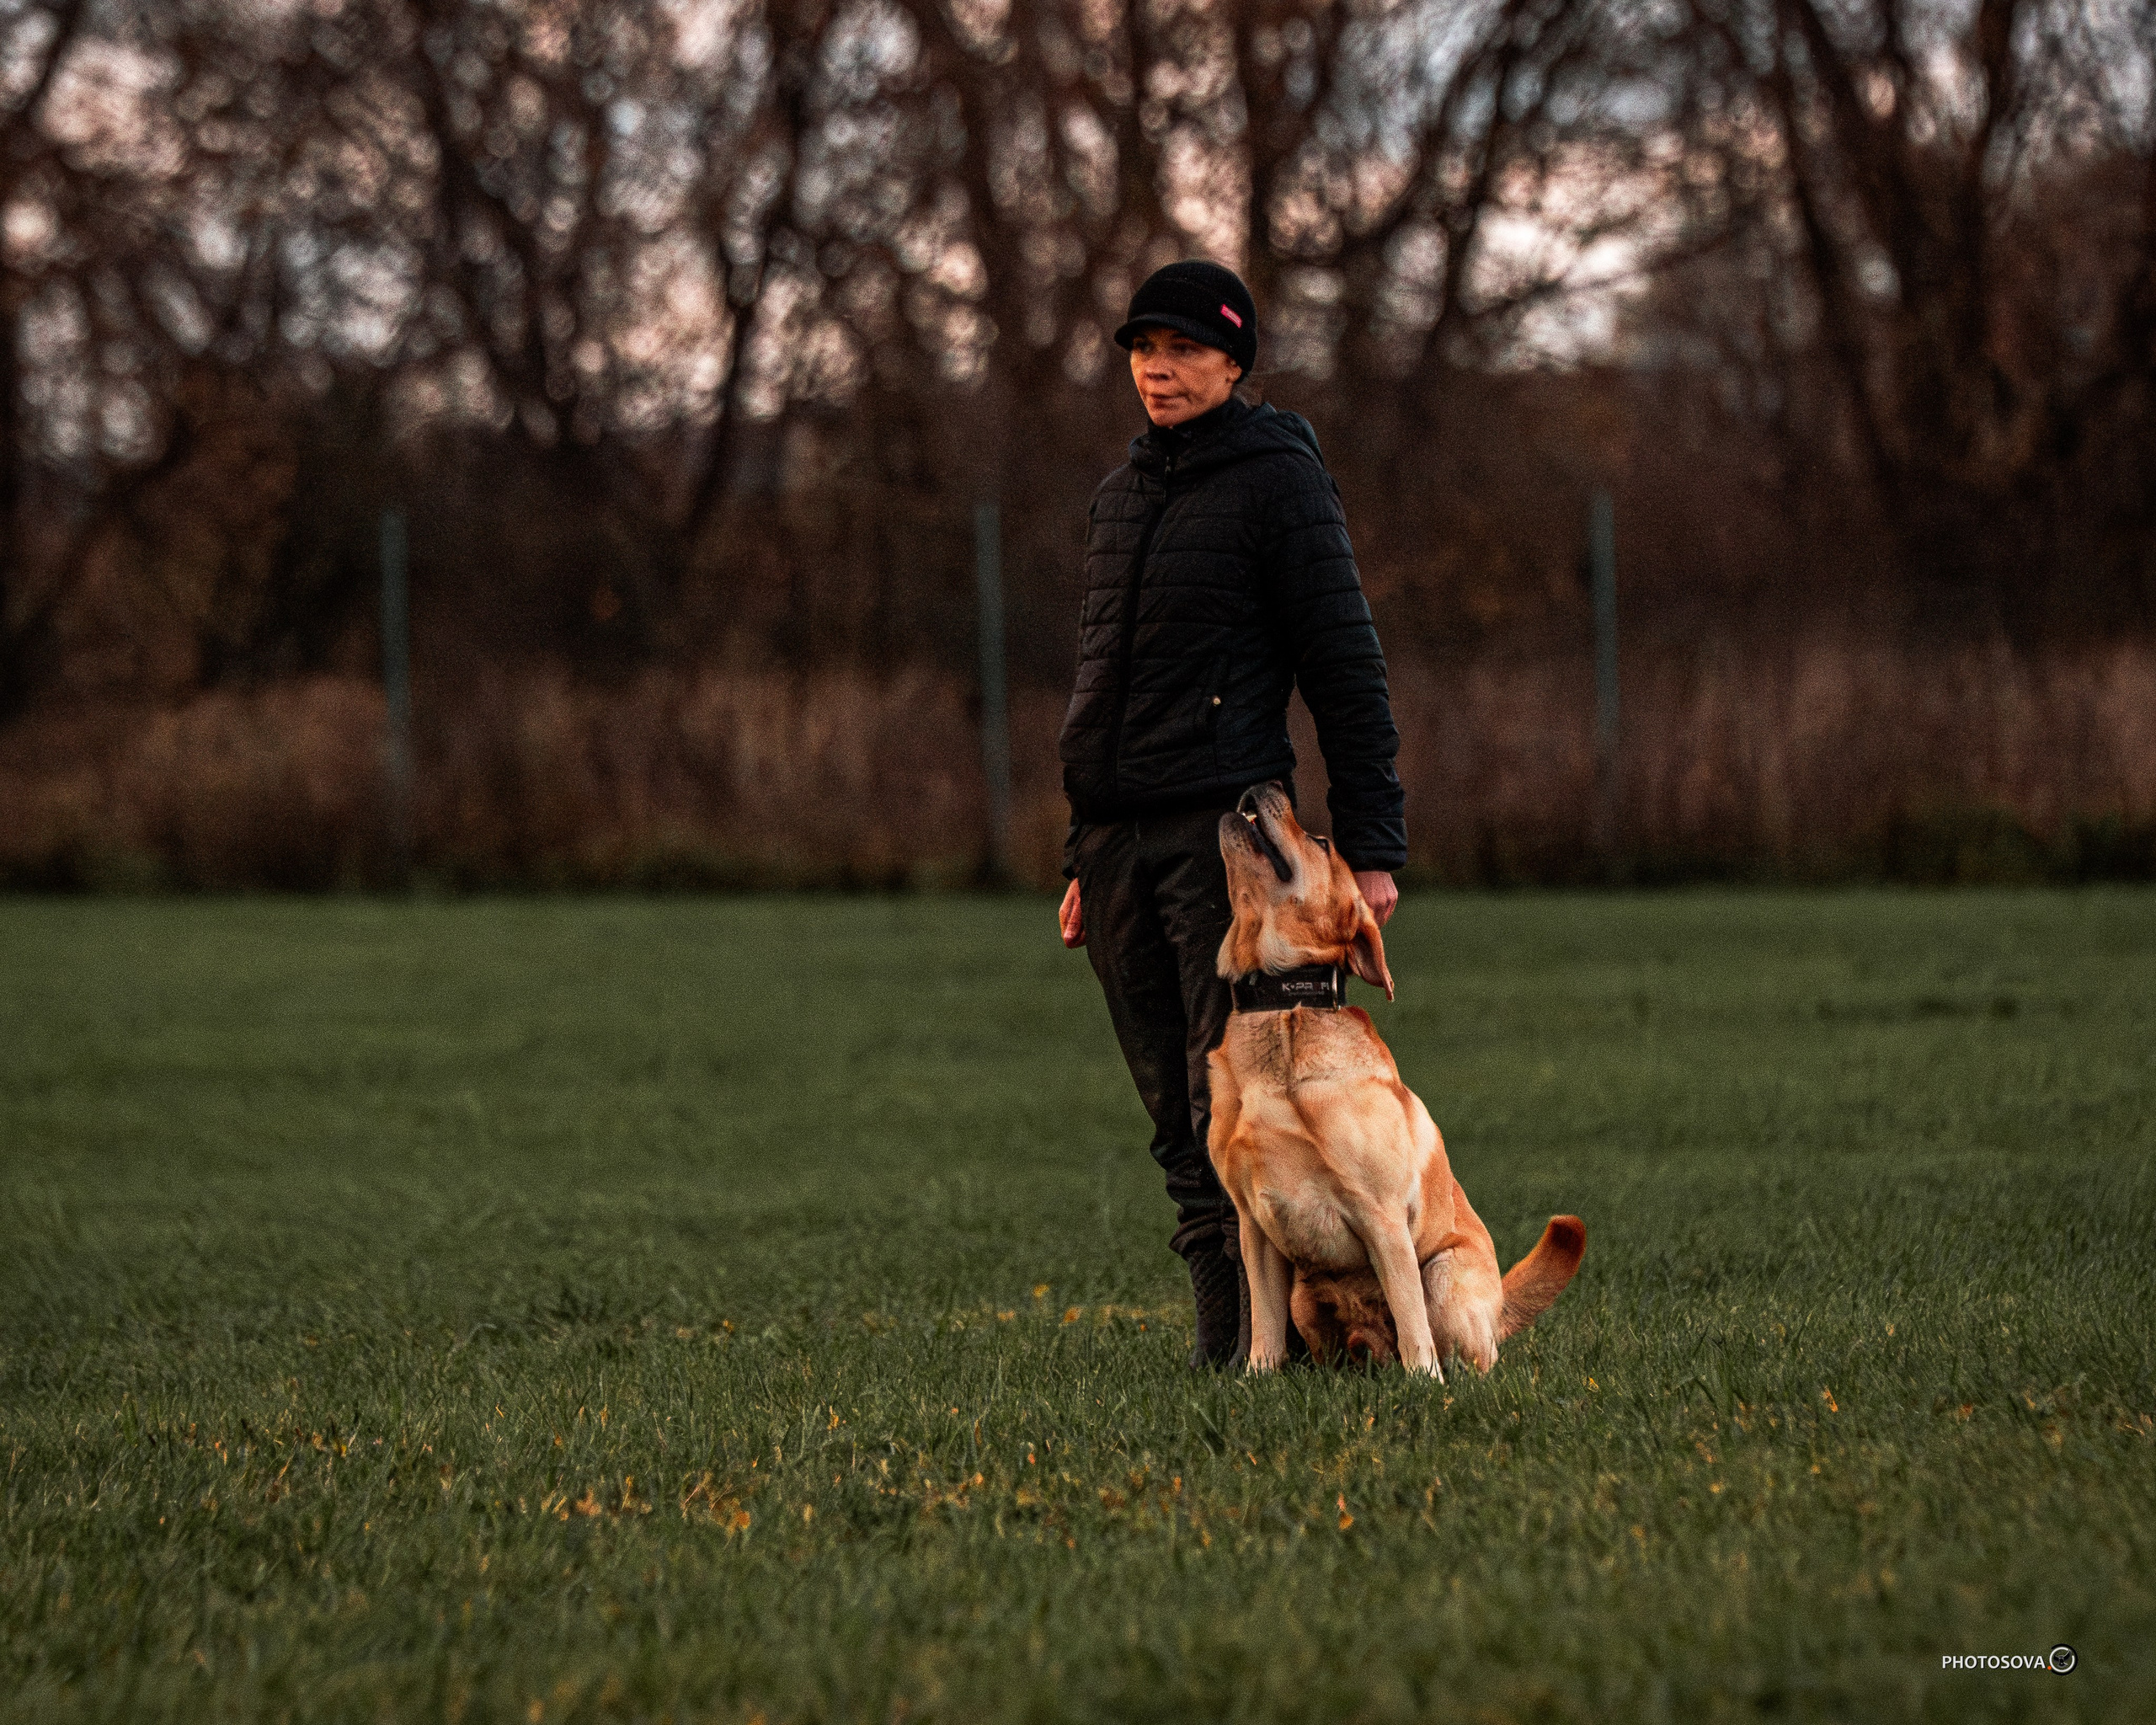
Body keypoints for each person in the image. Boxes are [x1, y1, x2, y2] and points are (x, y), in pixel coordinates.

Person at [1055, 259, 1407, 1367]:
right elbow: (1101, 685)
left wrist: (1374, 847)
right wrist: (1083, 852)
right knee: (1175, 1110)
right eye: (1144, 351)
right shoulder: (1120, 498)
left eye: (1186, 350)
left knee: (1257, 1107)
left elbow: (1346, 669)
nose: (1159, 370)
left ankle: (1292, 1344)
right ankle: (1237, 1336)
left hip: (1229, 846)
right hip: (1119, 845)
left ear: (1234, 361)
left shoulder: (1278, 482)